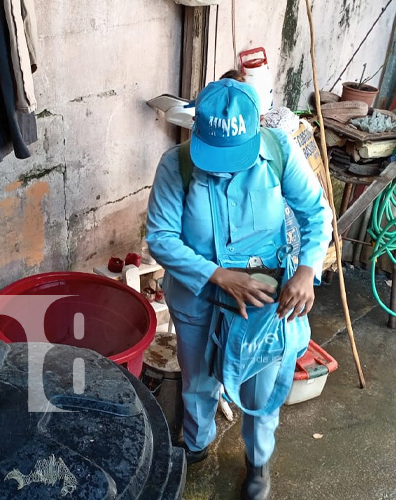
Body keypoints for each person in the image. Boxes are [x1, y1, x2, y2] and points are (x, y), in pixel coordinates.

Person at [146, 78, 332, 500]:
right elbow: (161, 237)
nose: (223, 167)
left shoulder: (279, 151)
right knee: (197, 379)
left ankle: (257, 462)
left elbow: (316, 212)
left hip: (264, 299)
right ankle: (195, 446)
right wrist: (216, 274)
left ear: (256, 131)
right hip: (197, 295)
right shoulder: (178, 164)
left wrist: (306, 270)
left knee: (258, 387)